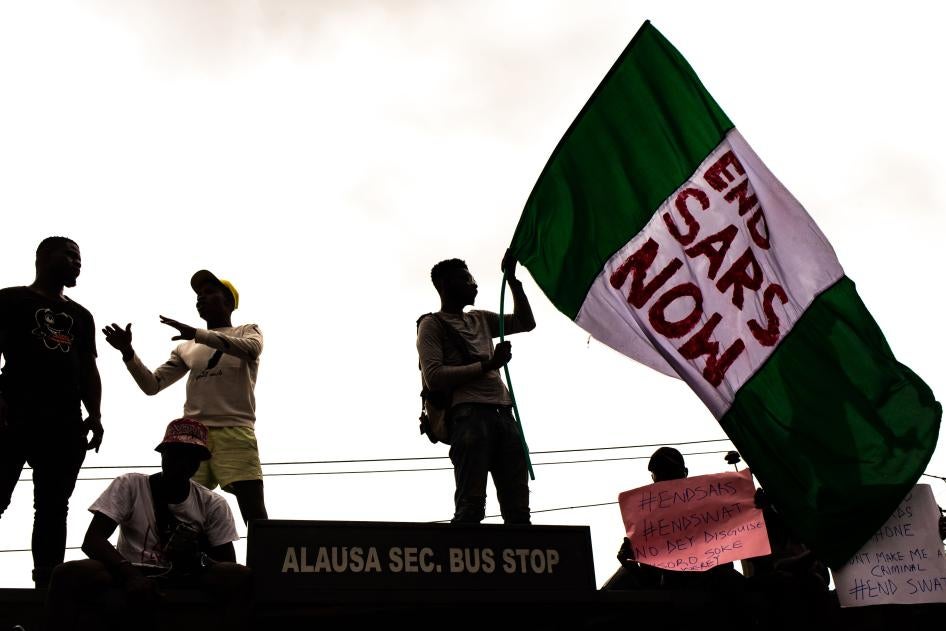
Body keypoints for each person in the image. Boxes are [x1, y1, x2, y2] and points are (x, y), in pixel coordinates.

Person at [46, 417, 251, 631]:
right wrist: (130, 575)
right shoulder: (130, 485)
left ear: (198, 462)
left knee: (241, 577)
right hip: (127, 569)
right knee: (66, 573)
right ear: (163, 454)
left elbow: (227, 564)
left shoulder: (212, 503)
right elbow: (92, 541)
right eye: (175, 453)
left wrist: (196, 557)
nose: (181, 461)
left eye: (189, 456)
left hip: (185, 574)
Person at [102, 270, 267, 523]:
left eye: (210, 292)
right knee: (181, 510)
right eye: (198, 295)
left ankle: (263, 562)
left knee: (252, 509)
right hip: (192, 436)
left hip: (235, 429)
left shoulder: (247, 330)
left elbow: (252, 349)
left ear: (229, 301)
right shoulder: (186, 346)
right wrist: (128, 352)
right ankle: (188, 562)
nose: (201, 298)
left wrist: (198, 333)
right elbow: (152, 385)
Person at [0, 236, 103, 588]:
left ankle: (46, 587)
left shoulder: (80, 315)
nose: (77, 263)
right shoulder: (10, 299)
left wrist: (96, 415)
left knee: (53, 508)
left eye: (80, 258)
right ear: (43, 258)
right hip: (13, 414)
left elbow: (88, 369)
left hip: (64, 423)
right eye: (70, 255)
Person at [417, 251, 536, 524]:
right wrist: (488, 365)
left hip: (503, 413)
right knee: (471, 507)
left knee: (518, 510)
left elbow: (525, 322)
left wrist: (514, 282)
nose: (474, 283)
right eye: (466, 278)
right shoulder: (431, 325)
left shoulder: (480, 318)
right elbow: (434, 376)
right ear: (446, 286)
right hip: (468, 416)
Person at [602, 447, 745, 591]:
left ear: (685, 473)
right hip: (675, 602)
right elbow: (652, 584)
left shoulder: (711, 512)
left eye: (671, 475)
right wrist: (630, 565)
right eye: (661, 477)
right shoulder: (649, 527)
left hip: (713, 597)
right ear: (654, 480)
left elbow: (726, 567)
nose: (666, 484)